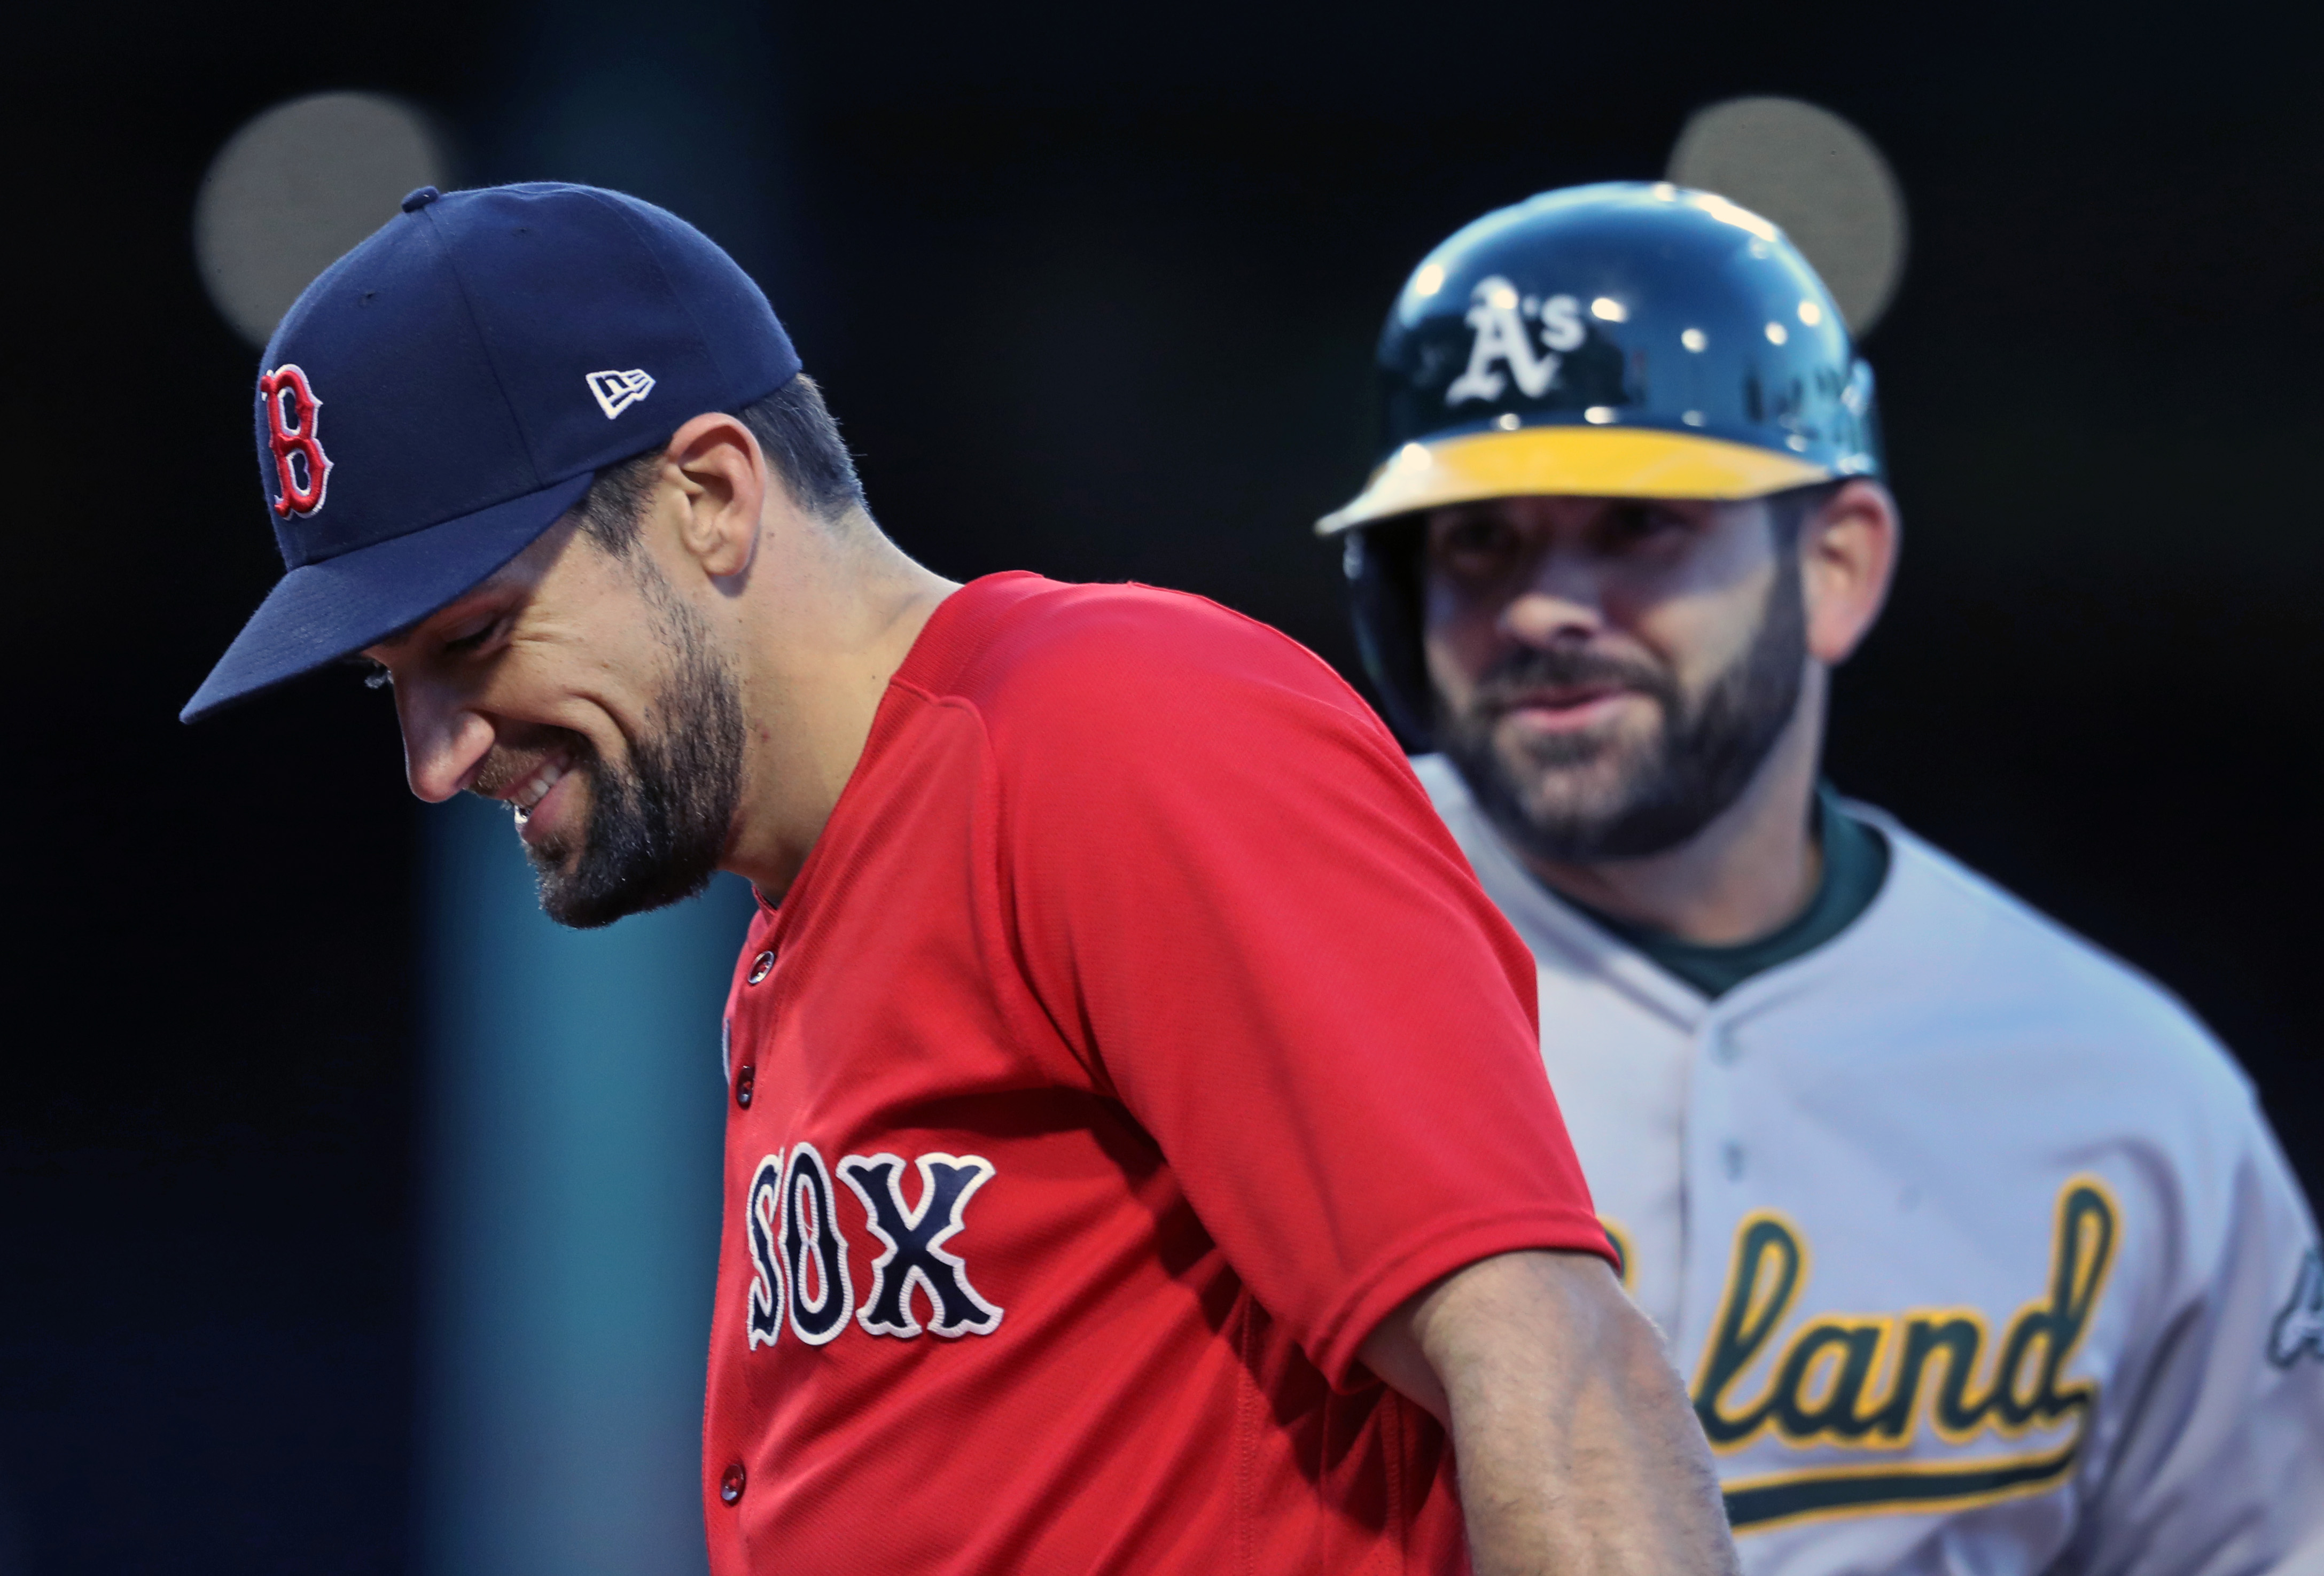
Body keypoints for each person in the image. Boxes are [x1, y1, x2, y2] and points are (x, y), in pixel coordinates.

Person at [182, 181, 1738, 1575]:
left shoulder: (1113, 729)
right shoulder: (812, 897)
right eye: (394, 683)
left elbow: (1553, 1359)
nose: (435, 756)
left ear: (711, 494)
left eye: (470, 640)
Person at [1316, 180, 2324, 1574]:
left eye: (1634, 526)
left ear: (1838, 564)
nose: (1545, 606)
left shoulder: (2130, 1092)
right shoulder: (1278, 938)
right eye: (1479, 541)